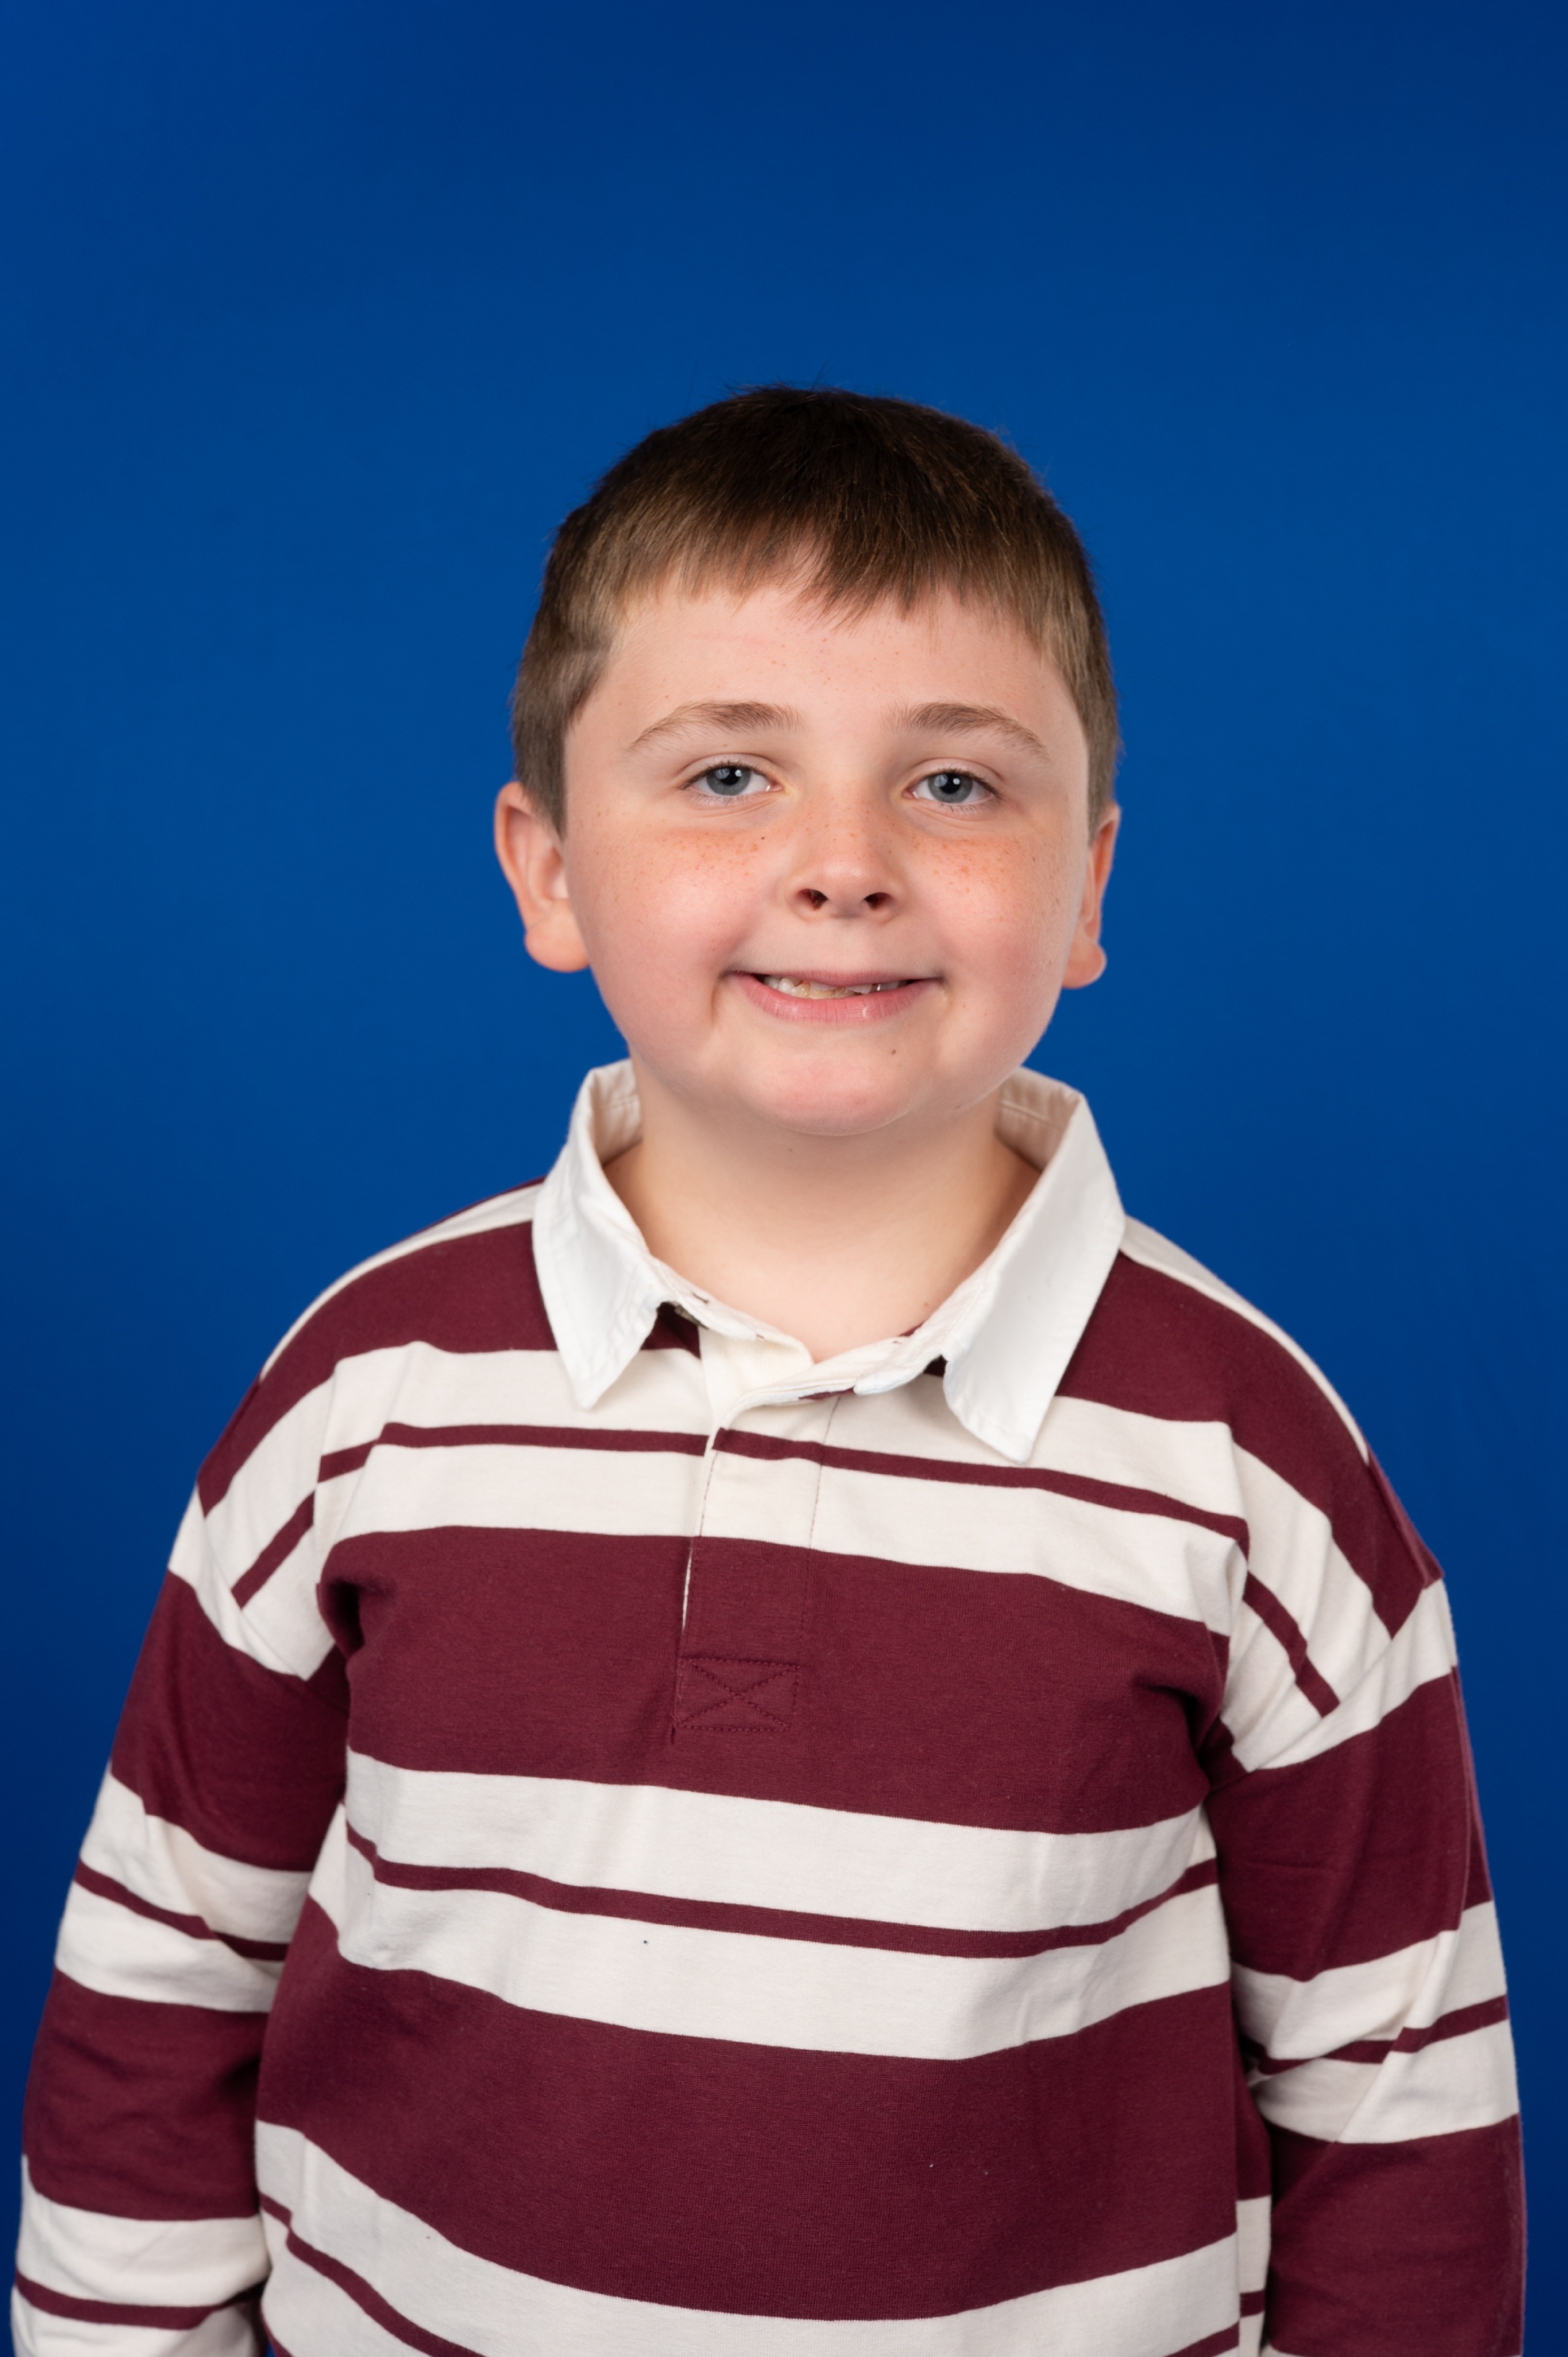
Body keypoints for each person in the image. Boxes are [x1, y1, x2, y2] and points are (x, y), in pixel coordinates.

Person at [15, 387, 1523, 2357]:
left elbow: (1399, 2108)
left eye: (954, 783)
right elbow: (159, 1988)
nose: (845, 862)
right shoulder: (361, 1404)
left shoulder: (1254, 1465)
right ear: (550, 871)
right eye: (730, 774)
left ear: (1088, 889)